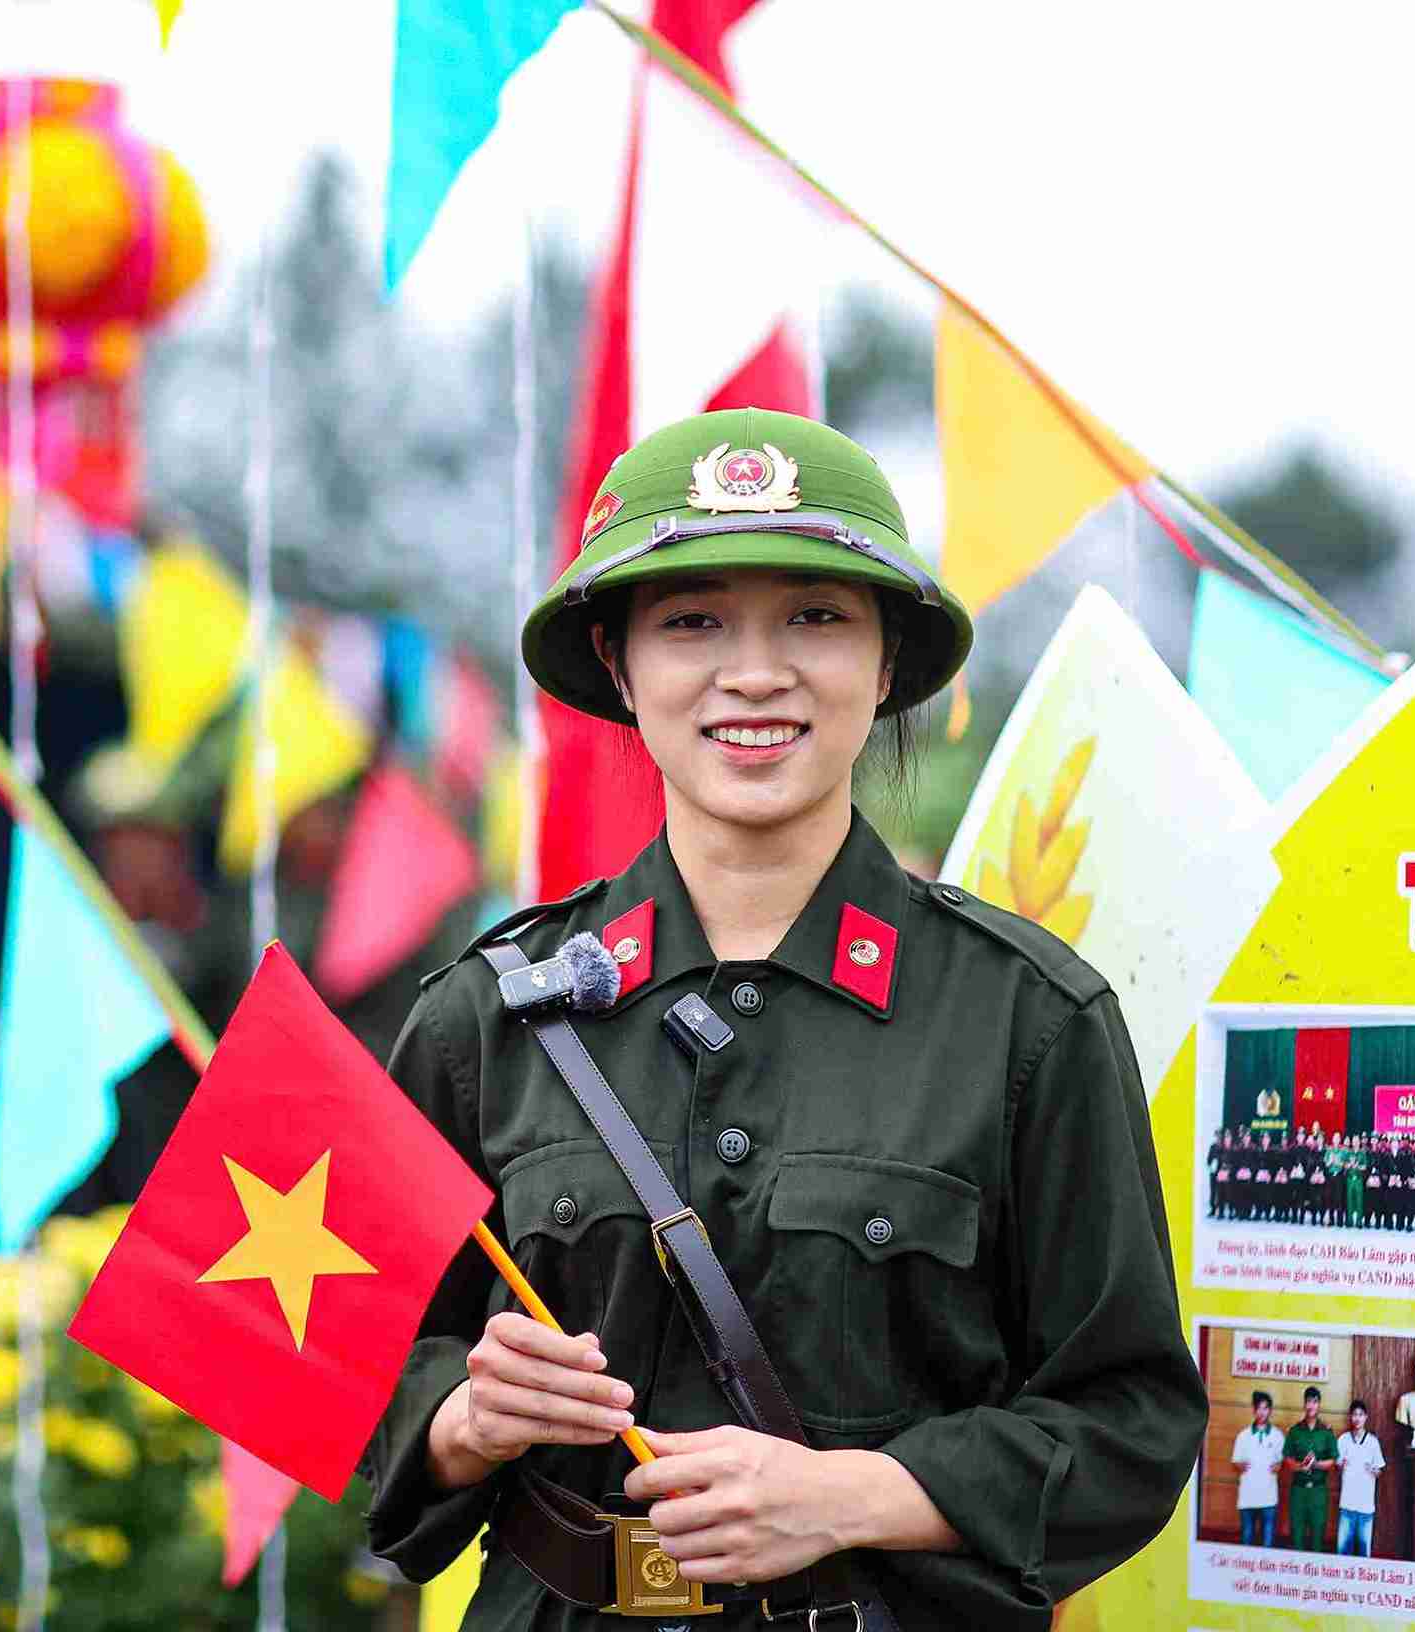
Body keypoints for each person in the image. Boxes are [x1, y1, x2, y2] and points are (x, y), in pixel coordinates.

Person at [358, 410, 1206, 1630]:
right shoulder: (487, 1015)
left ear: (885, 660)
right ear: (618, 661)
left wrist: (855, 1496)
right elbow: (359, 1364)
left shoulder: (1028, 1020)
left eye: (816, 616)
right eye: (691, 621)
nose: (753, 673)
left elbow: (1131, 1422)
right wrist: (463, 1418)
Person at [1284, 1388, 1340, 1552]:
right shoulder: (1294, 1432)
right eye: (1308, 1401)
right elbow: (1287, 1459)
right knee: (1297, 1538)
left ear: (1319, 1405)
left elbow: (1333, 1460)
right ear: (1304, 1404)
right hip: (1298, 1491)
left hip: (1318, 1491)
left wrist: (1315, 1464)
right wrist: (1300, 1467)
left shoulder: (1326, 1432)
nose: (1311, 1406)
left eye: (1314, 1402)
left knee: (1317, 1538)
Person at [1233, 1392, 1284, 1549]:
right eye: (1259, 1408)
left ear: (1270, 1410)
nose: (1262, 1412)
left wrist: (1278, 1466)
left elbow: (1282, 1462)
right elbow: (1235, 1462)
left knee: (1267, 1544)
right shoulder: (1243, 1436)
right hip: (1247, 1497)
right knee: (1247, 1540)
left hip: (1268, 1498)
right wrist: (1240, 1465)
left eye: (1265, 1408)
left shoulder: (1278, 1436)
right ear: (1254, 1410)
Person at [1334, 1399, 1385, 1557]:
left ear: (1366, 1417)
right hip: (1347, 1505)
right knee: (1343, 1551)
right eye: (1354, 1414)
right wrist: (1341, 1464)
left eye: (1360, 1415)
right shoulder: (1343, 1440)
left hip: (1365, 1507)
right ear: (1350, 1417)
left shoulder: (1373, 1442)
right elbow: (1337, 1465)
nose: (1357, 1418)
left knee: (1364, 1553)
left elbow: (1380, 1471)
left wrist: (1373, 1470)